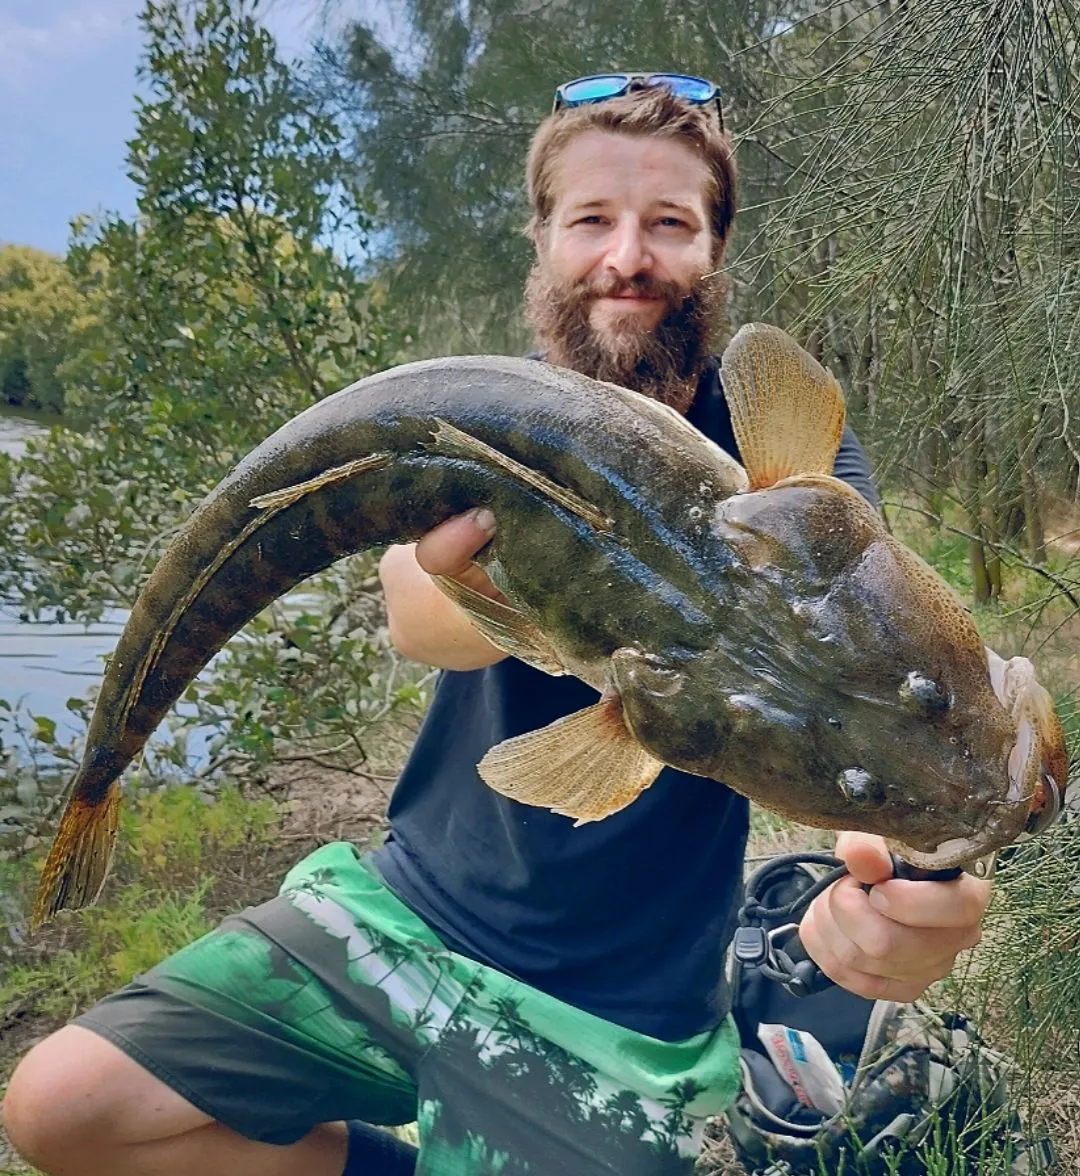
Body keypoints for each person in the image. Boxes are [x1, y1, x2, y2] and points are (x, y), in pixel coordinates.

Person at [3, 74, 990, 1176]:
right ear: (543, 241)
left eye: (670, 223)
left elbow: (872, 678)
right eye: (593, 221)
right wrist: (487, 589)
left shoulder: (799, 480)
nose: (628, 258)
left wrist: (923, 881)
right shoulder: (479, 417)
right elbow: (416, 615)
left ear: (716, 248)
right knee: (58, 1105)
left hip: (625, 1001)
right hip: (404, 913)